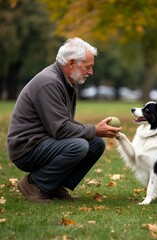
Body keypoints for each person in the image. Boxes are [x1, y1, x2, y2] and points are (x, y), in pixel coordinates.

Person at [7, 37, 121, 203]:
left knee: (95, 144)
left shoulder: (67, 81)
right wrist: (94, 130)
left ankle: (54, 185)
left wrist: (94, 132)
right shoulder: (49, 82)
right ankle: (34, 184)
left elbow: (63, 124)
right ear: (72, 63)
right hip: (26, 149)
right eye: (88, 67)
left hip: (44, 141)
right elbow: (60, 129)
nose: (91, 72)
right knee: (79, 145)